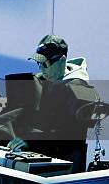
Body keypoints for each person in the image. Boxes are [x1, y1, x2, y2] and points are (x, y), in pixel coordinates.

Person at [8, 34, 98, 172]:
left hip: (63, 167)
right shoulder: (44, 80)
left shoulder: (81, 90)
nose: (42, 69)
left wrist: (30, 140)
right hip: (39, 158)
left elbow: (68, 134)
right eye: (39, 64)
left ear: (62, 61)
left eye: (46, 64)